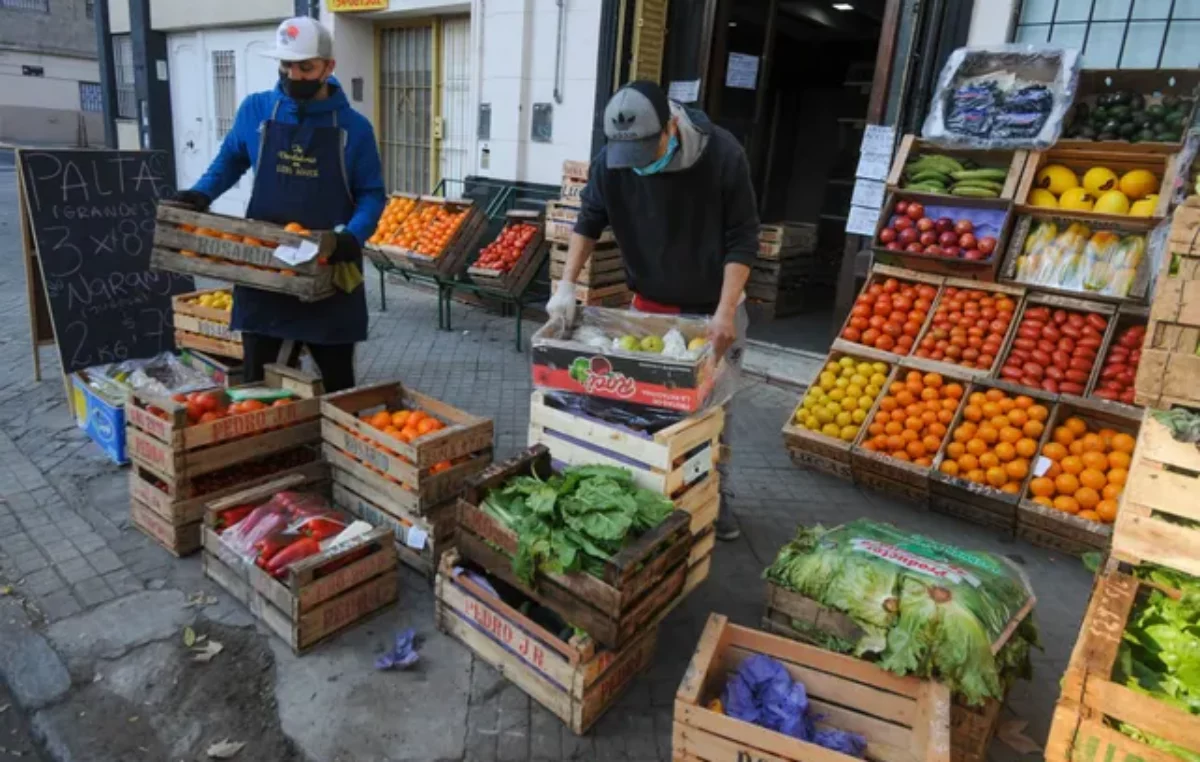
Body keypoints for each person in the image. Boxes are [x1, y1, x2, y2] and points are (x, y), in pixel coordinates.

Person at [549, 80, 759, 540]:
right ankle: (659, 495)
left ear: (670, 126)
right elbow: (589, 219)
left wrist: (725, 311)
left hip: (714, 308)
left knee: (712, 413)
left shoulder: (723, 156)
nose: (638, 165)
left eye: (648, 150)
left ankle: (713, 498)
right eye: (629, 156)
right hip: (651, 305)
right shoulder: (613, 163)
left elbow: (744, 238)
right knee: (647, 409)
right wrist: (566, 286)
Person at [170, 16, 385, 393]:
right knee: (259, 384)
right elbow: (231, 158)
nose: (294, 75)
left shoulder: (355, 128)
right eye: (286, 65)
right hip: (264, 269)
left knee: (337, 385)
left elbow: (371, 193)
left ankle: (331, 444)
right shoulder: (256, 110)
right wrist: (201, 193)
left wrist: (354, 234)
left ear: (328, 67)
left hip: (329, 270)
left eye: (306, 67)